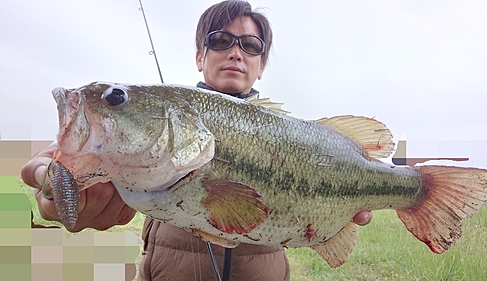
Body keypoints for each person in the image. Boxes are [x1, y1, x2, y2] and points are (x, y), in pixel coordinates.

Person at [21, 1, 372, 280]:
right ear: (199, 57)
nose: (236, 52)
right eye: (220, 40)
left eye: (250, 46)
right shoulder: (136, 145)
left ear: (261, 66)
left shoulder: (294, 135)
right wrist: (56, 185)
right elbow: (60, 173)